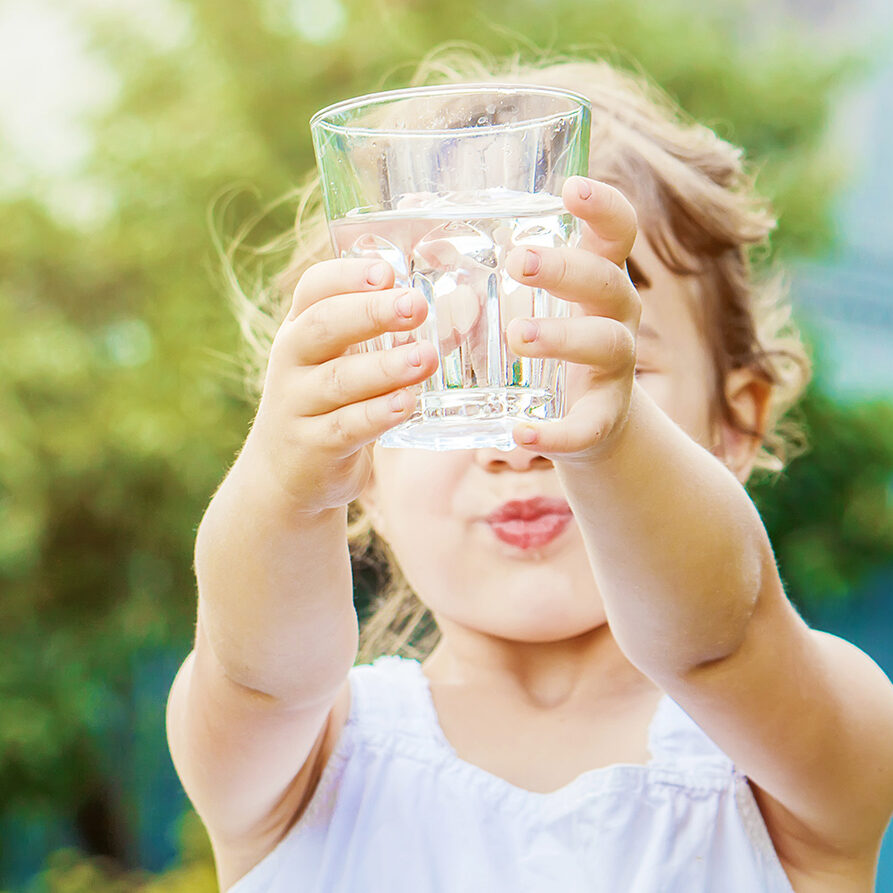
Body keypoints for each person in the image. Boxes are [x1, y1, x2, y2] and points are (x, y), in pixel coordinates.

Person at [166, 49, 893, 892]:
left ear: (736, 421)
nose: (521, 438)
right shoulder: (301, 758)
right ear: (359, 463)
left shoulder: (794, 751)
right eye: (443, 367)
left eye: (592, 362)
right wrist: (284, 484)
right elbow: (256, 668)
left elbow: (716, 638)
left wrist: (612, 443)